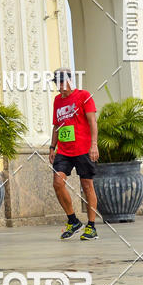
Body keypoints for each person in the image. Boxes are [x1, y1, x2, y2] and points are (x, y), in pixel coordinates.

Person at [49, 68, 99, 240]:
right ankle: (73, 220)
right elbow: (57, 126)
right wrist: (52, 147)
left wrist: (94, 145)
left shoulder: (84, 96)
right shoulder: (57, 100)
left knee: (87, 185)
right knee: (58, 182)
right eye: (57, 82)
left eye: (62, 82)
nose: (60, 86)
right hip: (64, 150)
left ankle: (91, 226)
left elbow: (92, 121)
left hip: (84, 149)